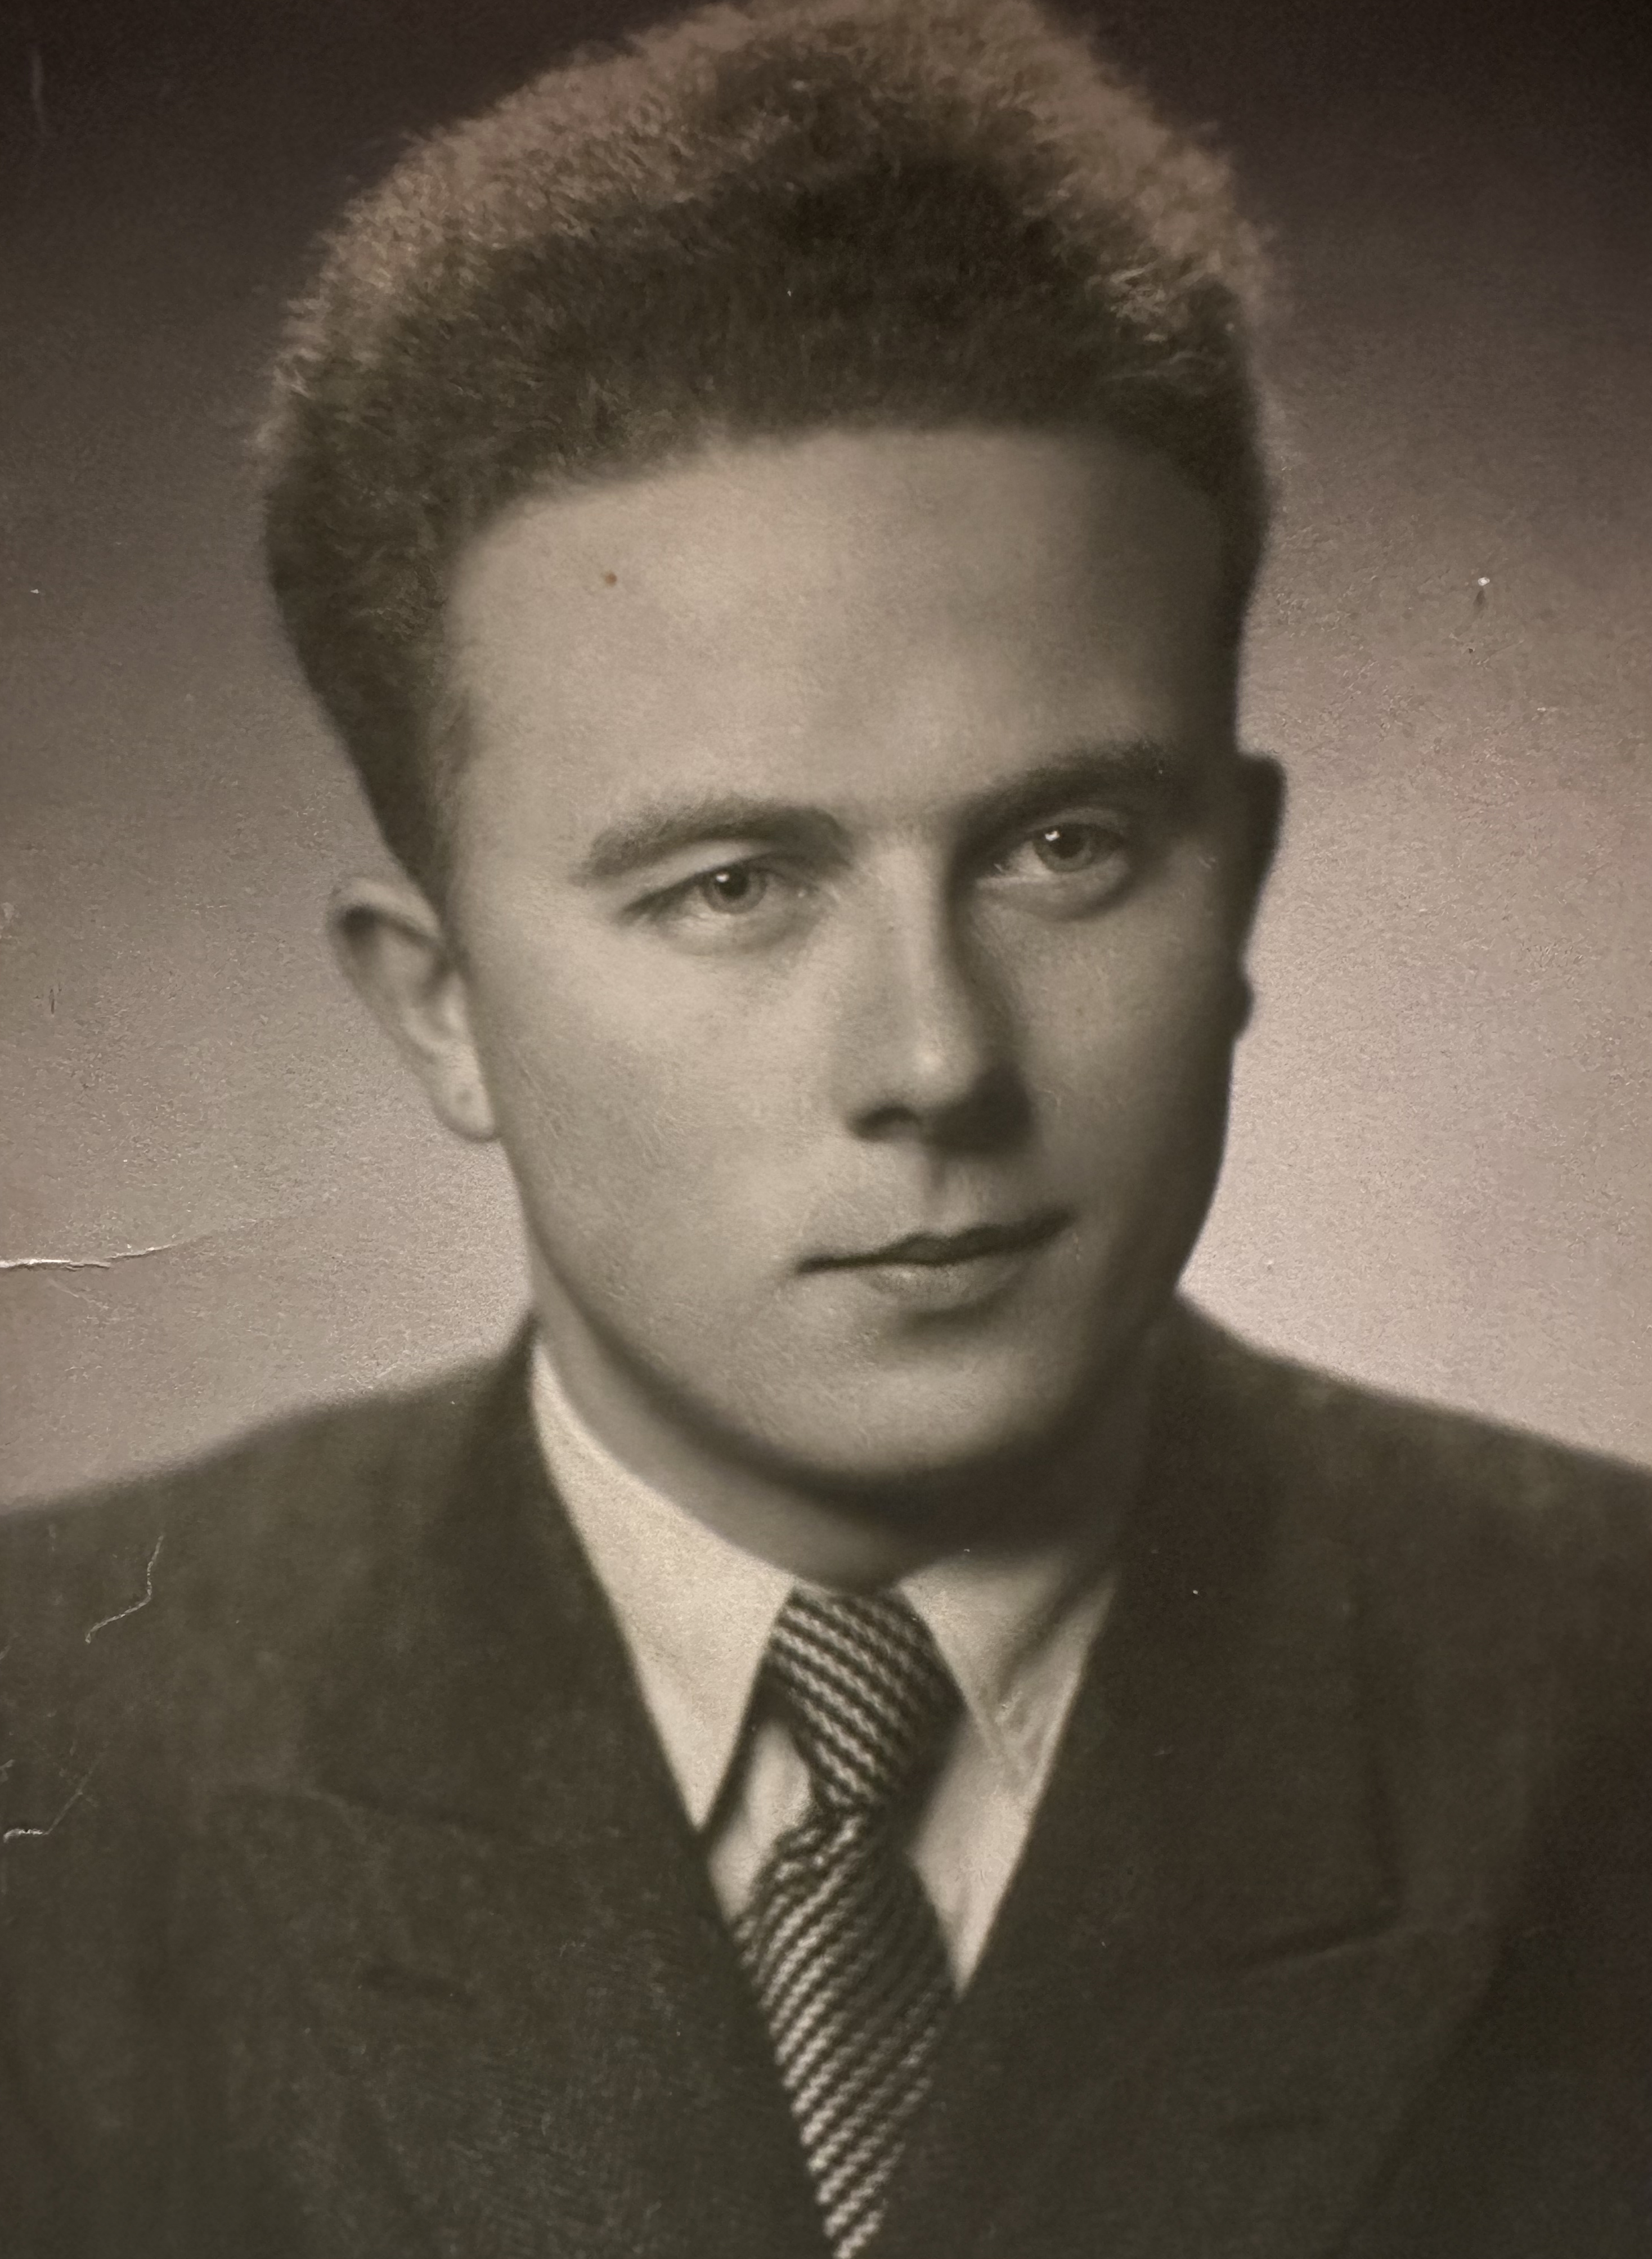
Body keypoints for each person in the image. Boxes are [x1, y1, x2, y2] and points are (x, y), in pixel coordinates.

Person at [3, 2, 1649, 2253]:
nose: (937, 1059)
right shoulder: (48, 1746)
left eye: (1063, 846)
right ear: (438, 1006)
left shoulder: (1605, 1693)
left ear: (1241, 885)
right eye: (733, 885)